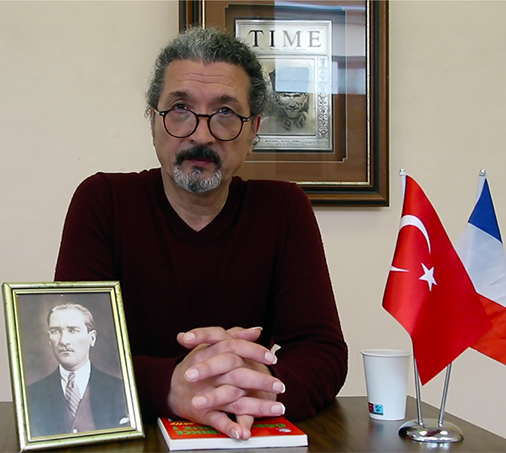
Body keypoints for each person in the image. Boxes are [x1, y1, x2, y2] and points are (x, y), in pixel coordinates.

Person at [54, 27, 348, 441]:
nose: (201, 134)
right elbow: (72, 350)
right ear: (153, 121)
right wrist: (173, 386)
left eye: (225, 112)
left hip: (244, 436)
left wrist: (255, 385)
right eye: (180, 108)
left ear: (254, 130)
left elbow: (323, 352)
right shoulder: (102, 201)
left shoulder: (283, 208)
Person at [26, 303, 128, 437]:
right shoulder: (31, 395)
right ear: (49, 340)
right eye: (55, 331)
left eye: (73, 330)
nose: (63, 341)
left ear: (92, 338)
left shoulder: (120, 390)